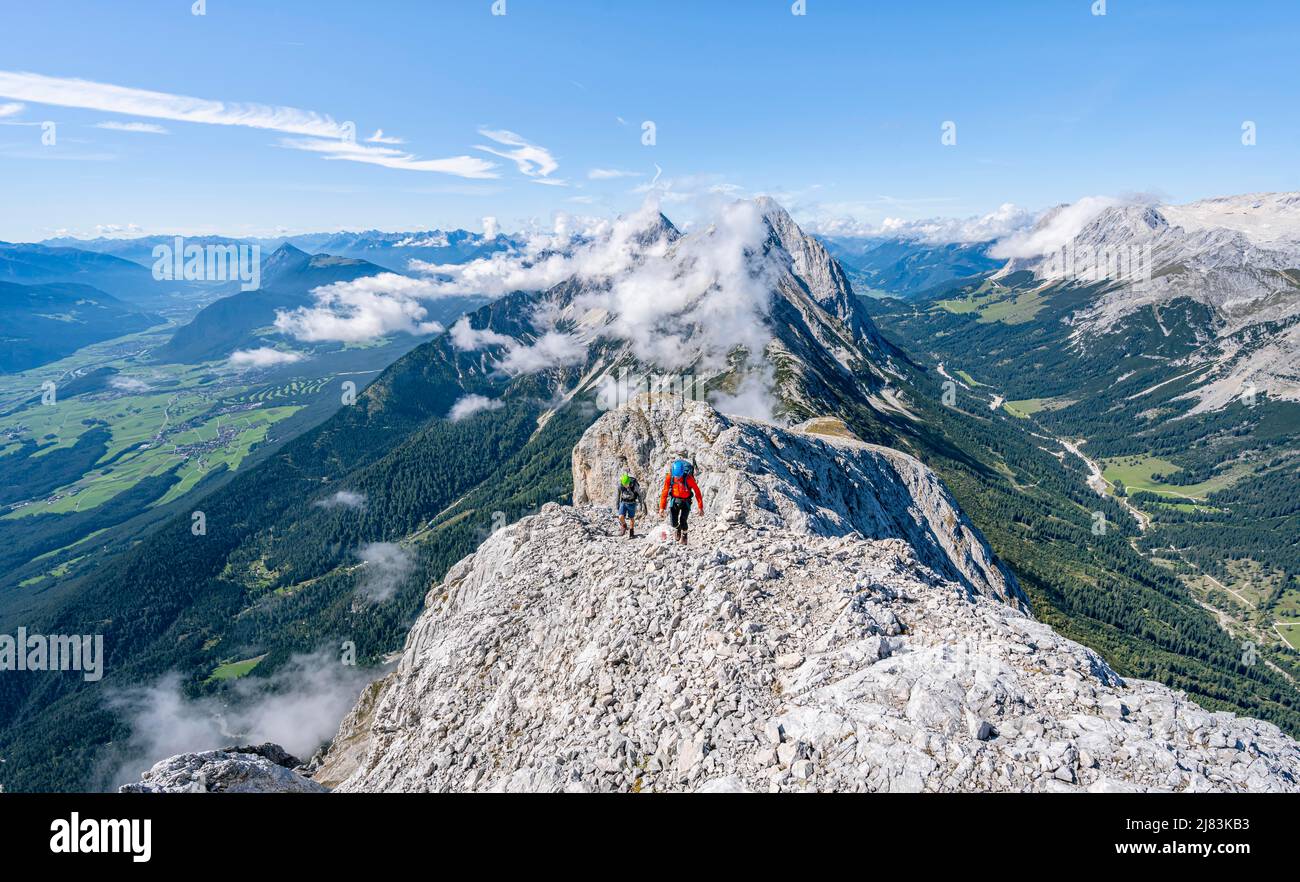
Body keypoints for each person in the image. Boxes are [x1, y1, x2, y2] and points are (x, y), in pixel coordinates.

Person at [659, 456, 703, 544]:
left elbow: (697, 492)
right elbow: (665, 492)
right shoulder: (670, 477)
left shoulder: (689, 479)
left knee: (683, 521)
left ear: (683, 473)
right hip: (674, 501)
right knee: (673, 523)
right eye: (676, 476)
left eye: (679, 476)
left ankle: (684, 535)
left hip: (686, 502)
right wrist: (662, 507)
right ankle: (678, 528)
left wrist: (700, 507)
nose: (678, 478)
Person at [614, 472, 646, 538]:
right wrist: (617, 505)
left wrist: (641, 504)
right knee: (620, 517)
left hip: (632, 503)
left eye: (626, 484)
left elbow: (639, 495)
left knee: (631, 518)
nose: (625, 486)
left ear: (629, 482)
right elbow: (618, 495)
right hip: (623, 502)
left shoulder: (634, 485)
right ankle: (624, 526)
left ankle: (631, 532)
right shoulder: (620, 484)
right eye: (624, 484)